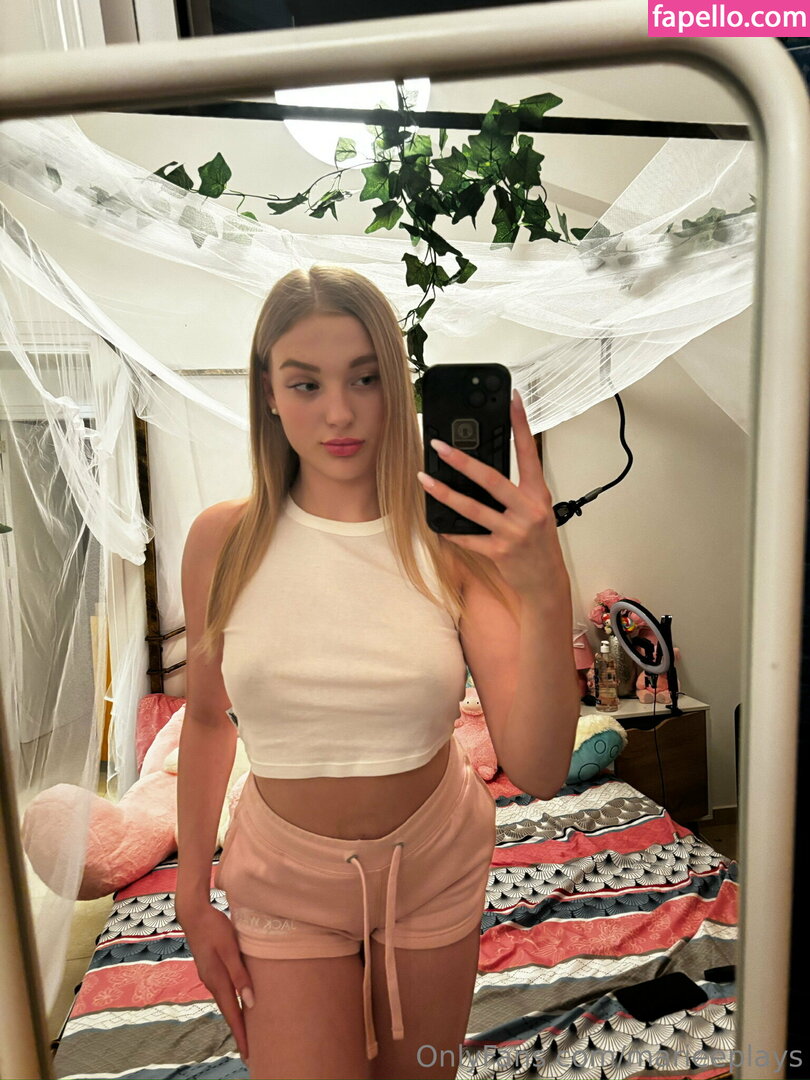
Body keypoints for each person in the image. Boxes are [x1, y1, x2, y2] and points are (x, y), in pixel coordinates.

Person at [175, 265, 580, 1080]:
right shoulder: (222, 542)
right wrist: (190, 896)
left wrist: (546, 588)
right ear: (268, 392)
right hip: (283, 879)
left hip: (432, 866)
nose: (339, 412)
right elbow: (210, 719)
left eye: (365, 378)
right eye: (306, 382)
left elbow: (539, 768)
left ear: (397, 387)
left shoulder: (454, 546)